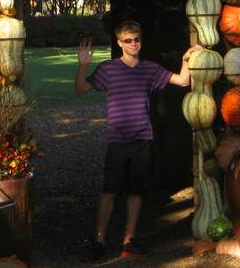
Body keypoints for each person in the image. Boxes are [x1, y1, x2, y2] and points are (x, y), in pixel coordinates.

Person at [74, 20, 192, 261]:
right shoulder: (108, 69)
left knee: (136, 193)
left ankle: (129, 240)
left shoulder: (149, 69)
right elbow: (80, 89)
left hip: (142, 139)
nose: (133, 44)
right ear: (119, 43)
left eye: (136, 39)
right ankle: (99, 241)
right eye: (128, 40)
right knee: (109, 191)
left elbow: (182, 81)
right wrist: (83, 66)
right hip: (118, 141)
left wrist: (187, 59)